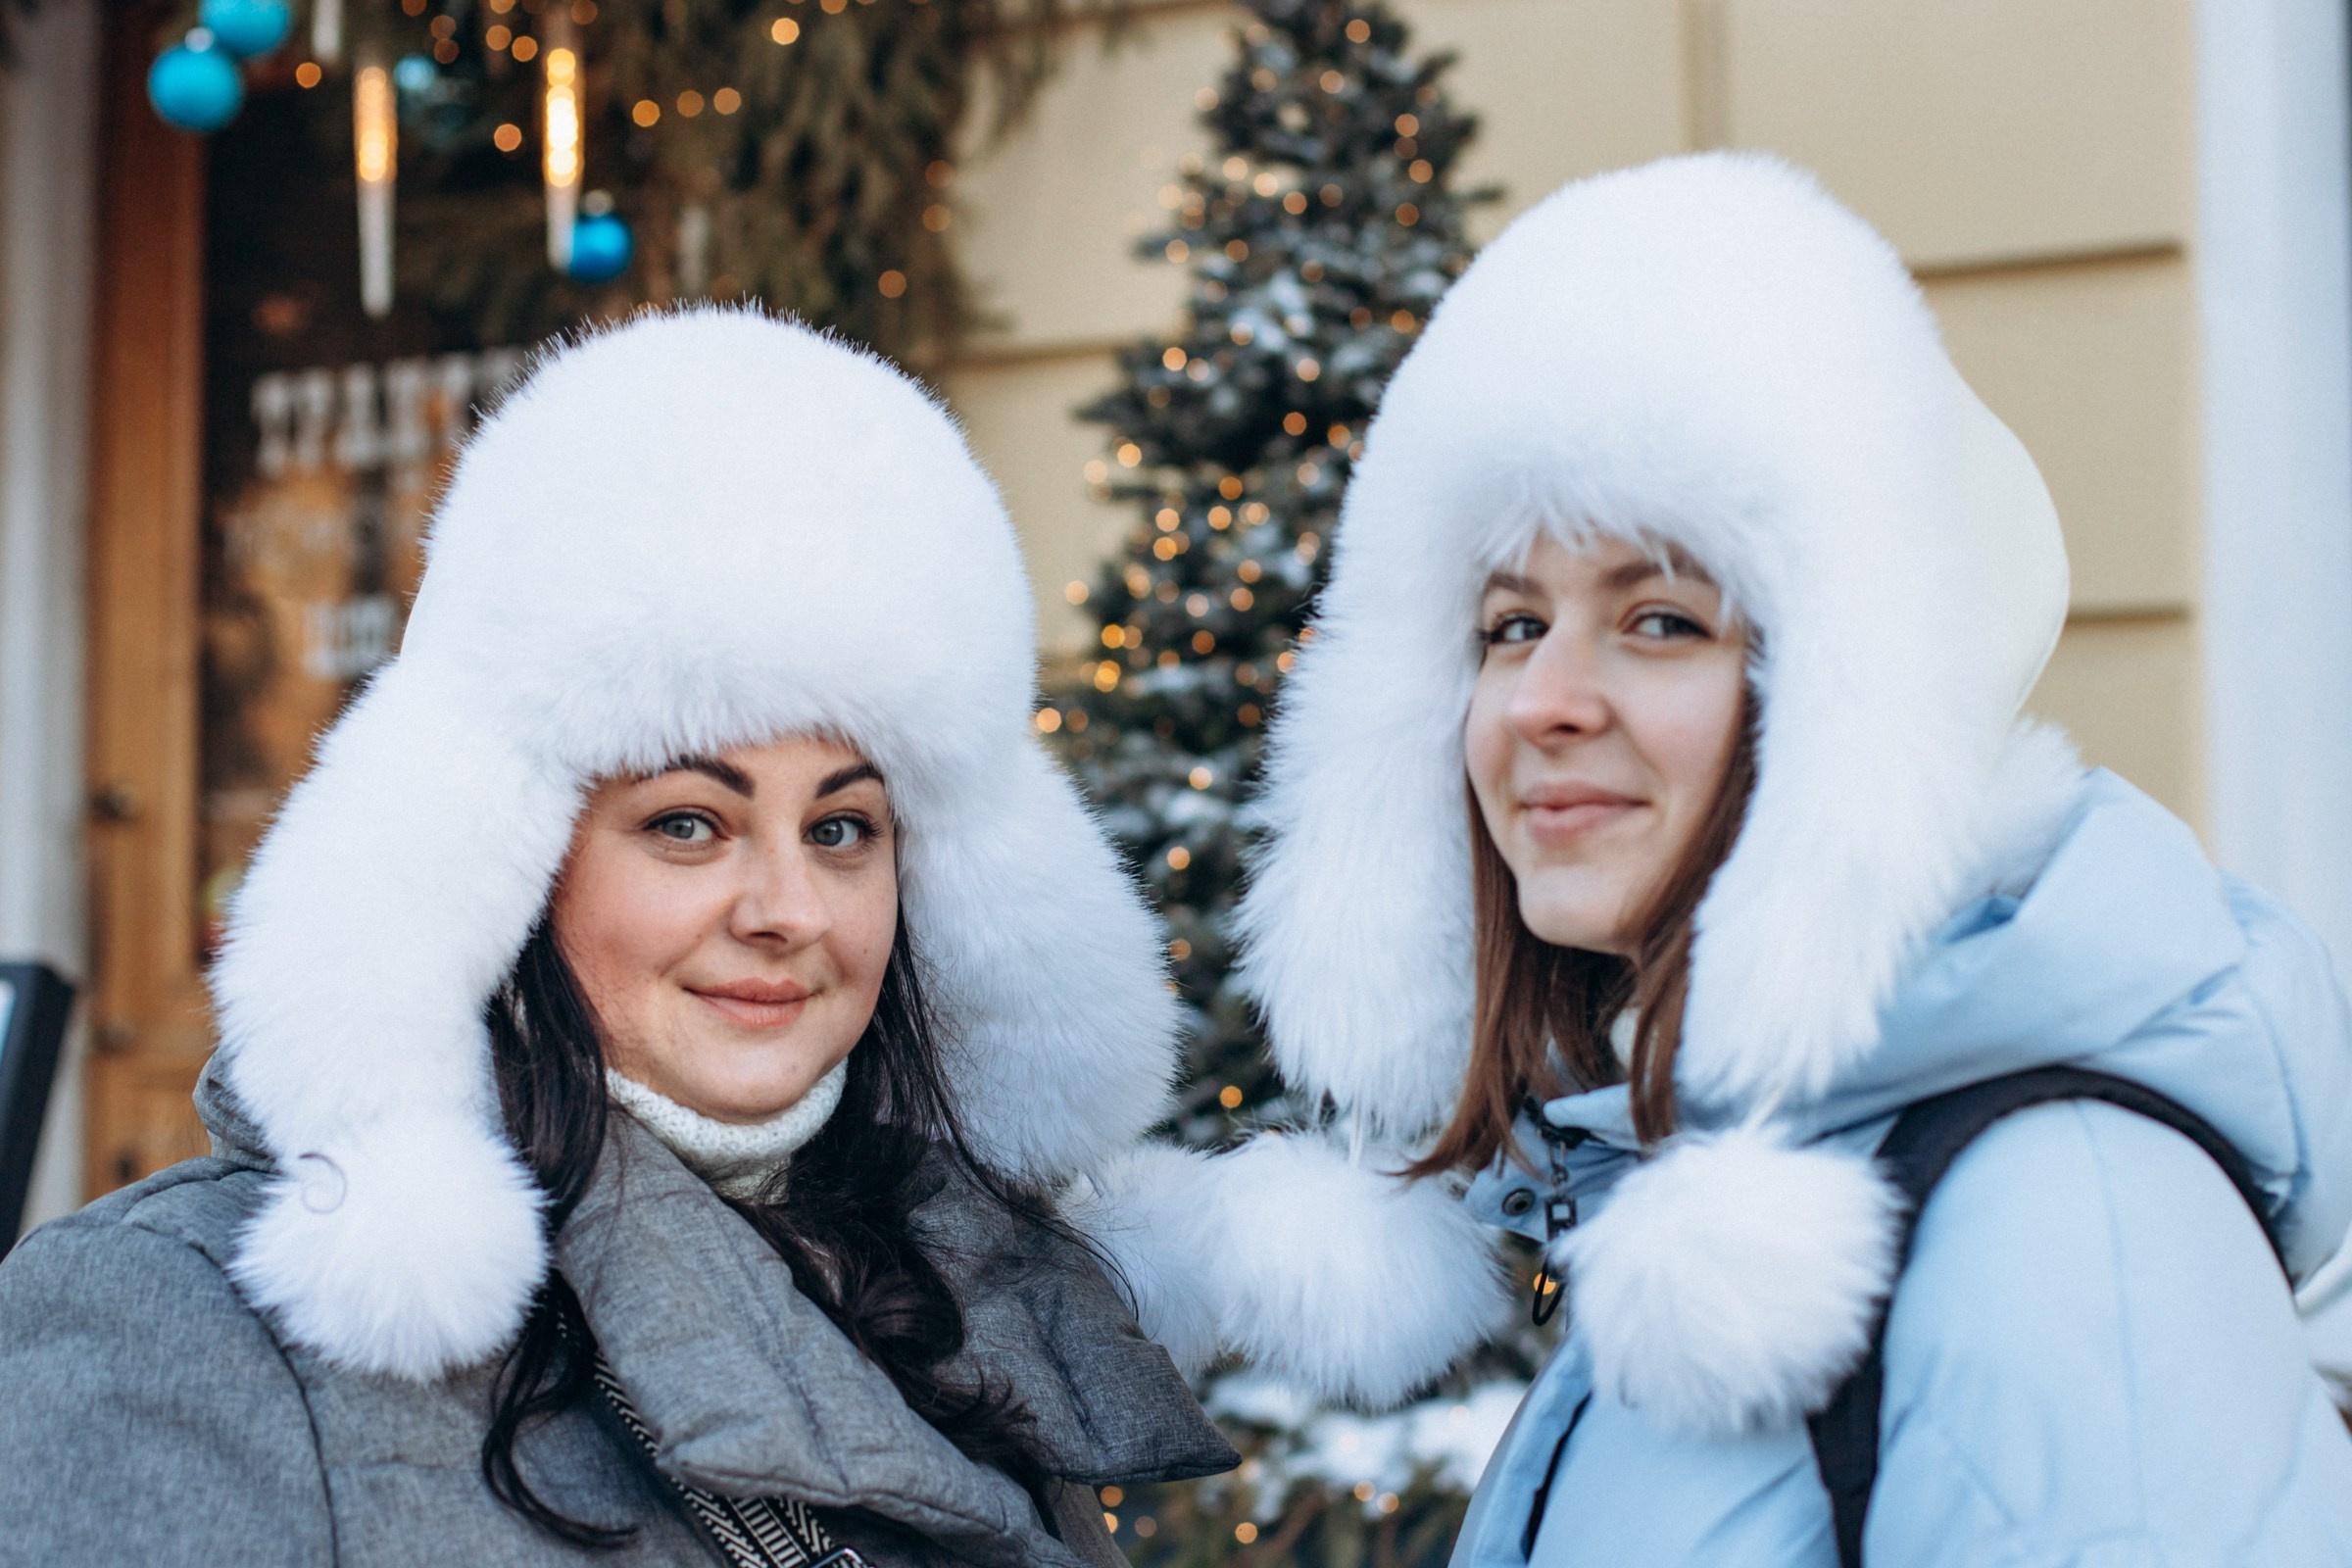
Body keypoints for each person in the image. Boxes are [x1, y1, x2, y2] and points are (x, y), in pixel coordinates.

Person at [1177, 153, 2352, 1563]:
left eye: (1661, 619)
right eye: (1510, 624)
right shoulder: (1697, 1176)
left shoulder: (2062, 1228)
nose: (1543, 699)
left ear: (1853, 698)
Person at [0, 311, 1234, 1566]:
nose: (789, 909)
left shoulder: (979, 1295)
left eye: (843, 828)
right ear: (509, 863)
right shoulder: (181, 1322)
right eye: (689, 822)